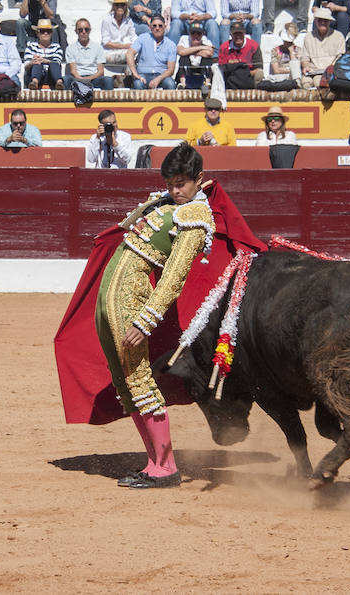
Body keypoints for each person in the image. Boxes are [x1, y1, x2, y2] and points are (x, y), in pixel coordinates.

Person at [93, 142, 220, 489]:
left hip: (132, 299)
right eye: (170, 183)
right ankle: (152, 462)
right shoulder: (169, 202)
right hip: (111, 297)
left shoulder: (195, 219)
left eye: (181, 183)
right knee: (124, 381)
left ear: (199, 180)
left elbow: (175, 276)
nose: (175, 190)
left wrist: (146, 319)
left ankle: (165, 466)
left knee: (139, 379)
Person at [127, 14, 178, 89]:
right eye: (154, 26)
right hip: (143, 74)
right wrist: (135, 73)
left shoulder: (171, 45)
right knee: (138, 84)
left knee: (171, 84)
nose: (157, 28)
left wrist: (158, 79)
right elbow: (129, 53)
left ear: (165, 27)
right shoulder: (143, 38)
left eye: (160, 26)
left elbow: (171, 69)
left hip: (161, 76)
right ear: (150, 27)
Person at [300, 7, 345, 88]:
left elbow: (340, 58)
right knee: (305, 83)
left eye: (325, 20)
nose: (322, 22)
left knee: (319, 83)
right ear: (315, 21)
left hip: (330, 73)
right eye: (319, 20)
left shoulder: (338, 36)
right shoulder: (309, 36)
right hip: (312, 71)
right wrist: (306, 66)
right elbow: (304, 58)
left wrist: (330, 70)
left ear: (330, 21)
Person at [64, 19, 114, 91]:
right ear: (76, 31)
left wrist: (89, 78)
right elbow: (73, 71)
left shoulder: (98, 47)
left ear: (90, 31)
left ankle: (108, 102)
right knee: (66, 79)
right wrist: (81, 79)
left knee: (108, 80)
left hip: (93, 78)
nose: (84, 32)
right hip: (77, 78)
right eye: (80, 30)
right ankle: (67, 102)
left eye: (86, 29)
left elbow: (100, 71)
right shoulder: (70, 48)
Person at [219, 21, 264, 88]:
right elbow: (221, 68)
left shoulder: (253, 46)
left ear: (244, 33)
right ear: (231, 34)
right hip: (230, 79)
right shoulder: (224, 47)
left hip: (248, 77)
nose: (238, 36)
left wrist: (243, 74)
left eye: (240, 33)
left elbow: (258, 68)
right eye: (235, 34)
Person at [25, 18, 65, 90]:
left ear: (51, 33)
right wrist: (32, 62)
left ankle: (59, 83)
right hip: (33, 75)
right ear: (37, 33)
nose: (45, 33)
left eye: (48, 31)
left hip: (51, 76)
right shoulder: (31, 46)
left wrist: (44, 61)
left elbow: (57, 62)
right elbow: (26, 66)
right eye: (42, 31)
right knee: (37, 64)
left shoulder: (56, 47)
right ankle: (34, 83)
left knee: (54, 64)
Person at [177, 21, 216, 89]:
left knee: (207, 60)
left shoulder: (206, 40)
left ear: (202, 34)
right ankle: (183, 83)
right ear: (189, 34)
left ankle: (207, 83)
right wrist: (201, 47)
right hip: (188, 65)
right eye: (193, 33)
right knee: (183, 58)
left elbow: (209, 53)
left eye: (199, 34)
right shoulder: (184, 39)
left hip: (200, 67)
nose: (196, 36)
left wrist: (188, 51)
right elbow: (181, 52)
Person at [102, 0, 137, 69]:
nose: (120, 7)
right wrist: (123, 46)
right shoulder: (106, 20)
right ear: (113, 6)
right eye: (117, 5)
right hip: (109, 52)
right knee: (130, 56)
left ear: (125, 7)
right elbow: (106, 43)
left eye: (122, 5)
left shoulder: (128, 20)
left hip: (124, 51)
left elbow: (133, 36)